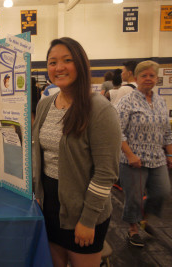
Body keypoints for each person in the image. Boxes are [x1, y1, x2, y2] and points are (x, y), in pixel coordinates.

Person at [32, 37, 121, 267]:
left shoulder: (99, 109)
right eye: (52, 62)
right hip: (50, 207)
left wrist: (88, 219)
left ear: (80, 64)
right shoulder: (45, 105)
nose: (58, 67)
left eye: (67, 60)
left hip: (83, 211)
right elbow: (39, 155)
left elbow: (106, 172)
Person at [116, 60, 172, 247]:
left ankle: (144, 218)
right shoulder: (127, 101)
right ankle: (133, 230)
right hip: (133, 160)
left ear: (157, 78)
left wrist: (170, 155)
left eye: (152, 75)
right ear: (136, 78)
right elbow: (118, 131)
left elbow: (167, 132)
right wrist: (130, 155)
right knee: (134, 197)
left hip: (157, 158)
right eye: (144, 75)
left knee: (162, 191)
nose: (148, 79)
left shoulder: (160, 102)